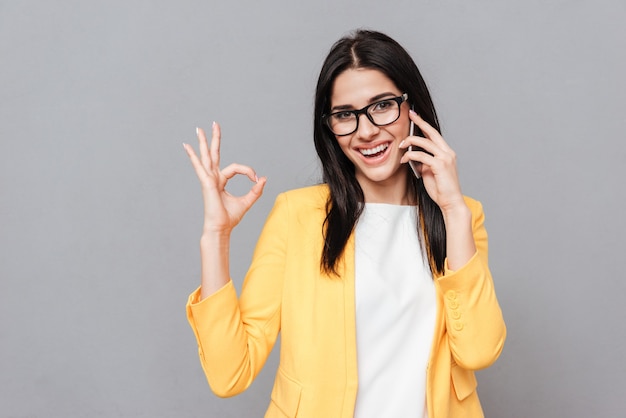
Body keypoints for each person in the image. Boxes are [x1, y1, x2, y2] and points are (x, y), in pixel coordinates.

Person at [183, 29, 506, 418]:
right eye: (345, 115)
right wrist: (215, 237)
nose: (366, 130)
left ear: (412, 107)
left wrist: (453, 209)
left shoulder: (461, 216)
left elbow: (478, 350)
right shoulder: (297, 215)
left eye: (382, 105)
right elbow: (228, 374)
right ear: (330, 128)